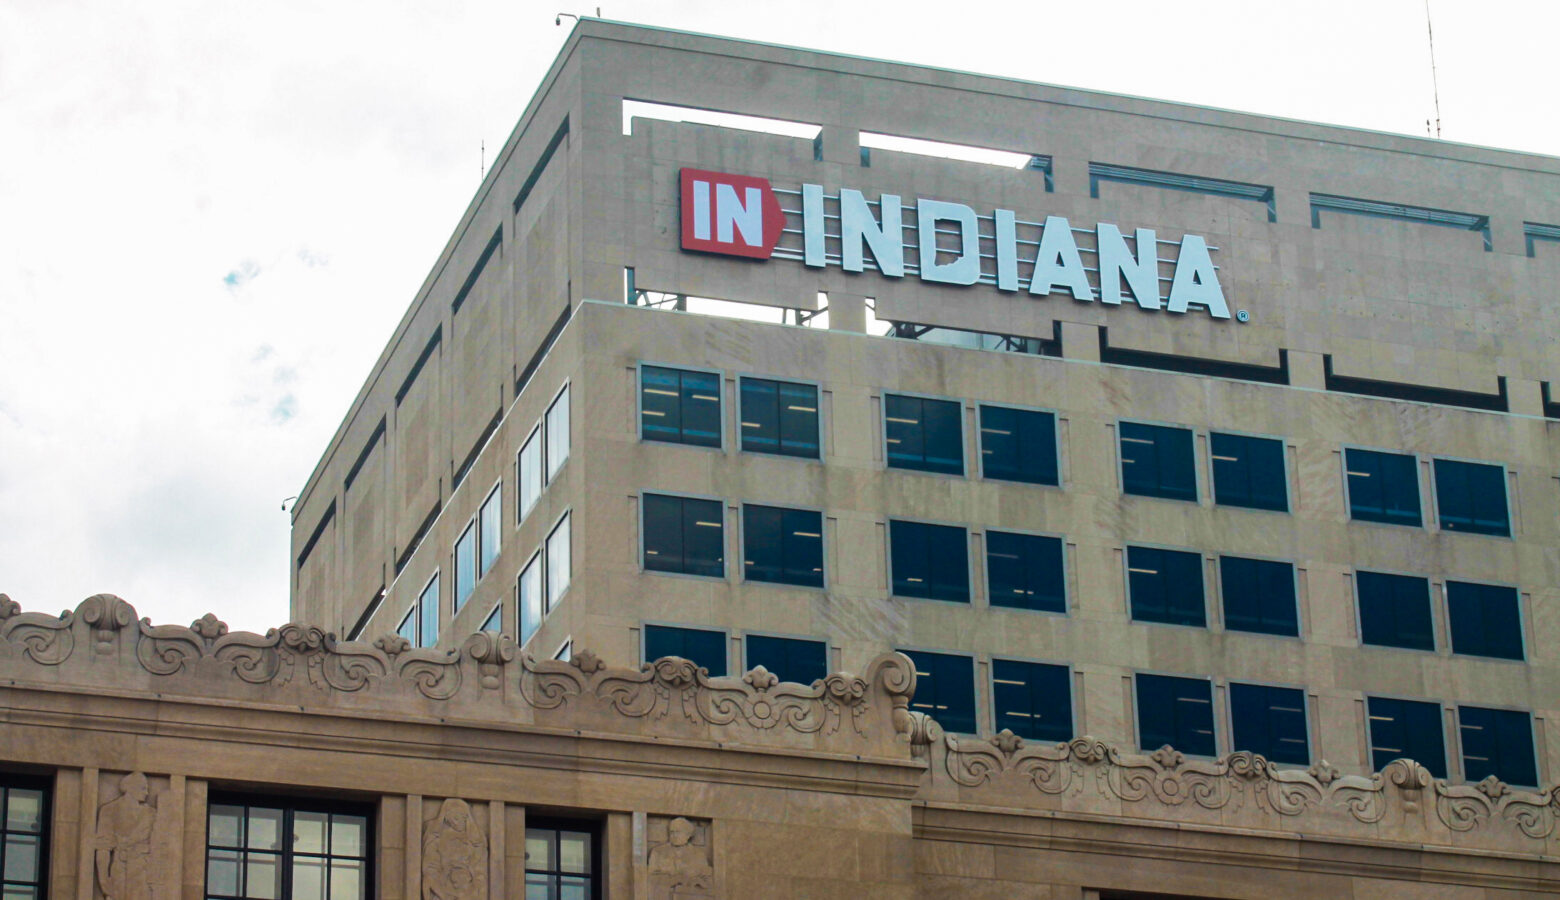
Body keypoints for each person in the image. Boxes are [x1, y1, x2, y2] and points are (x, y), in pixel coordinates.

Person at [94, 773, 156, 900]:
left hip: (143, 872)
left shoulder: (151, 814)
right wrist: (104, 881)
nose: (147, 792)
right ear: (130, 787)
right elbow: (103, 849)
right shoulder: (109, 810)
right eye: (143, 788)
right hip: (120, 870)